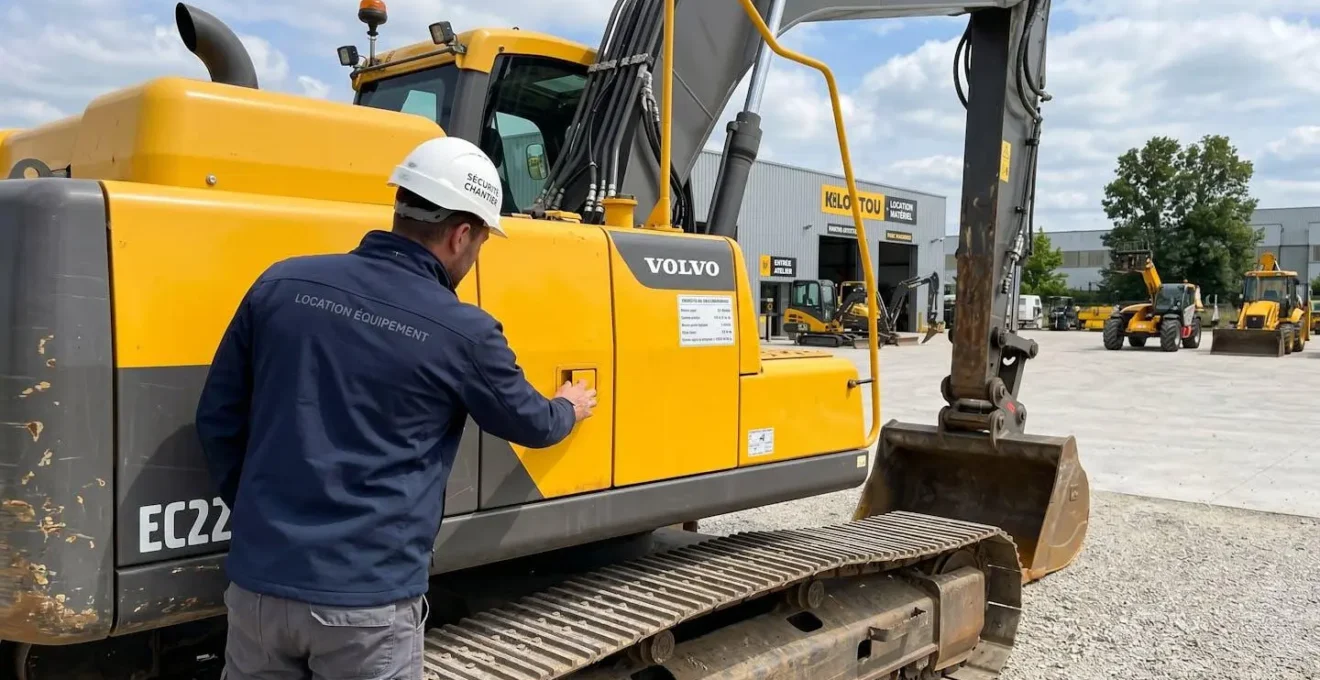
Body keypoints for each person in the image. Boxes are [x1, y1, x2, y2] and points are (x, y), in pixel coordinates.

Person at [194, 136, 597, 680]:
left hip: (259, 591)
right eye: (481, 242)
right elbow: (531, 422)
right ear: (461, 234)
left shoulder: (281, 283)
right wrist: (568, 406)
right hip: (367, 604)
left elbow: (217, 419)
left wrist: (260, 517)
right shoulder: (463, 331)